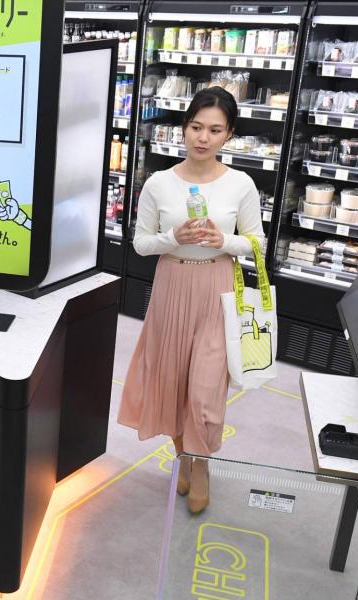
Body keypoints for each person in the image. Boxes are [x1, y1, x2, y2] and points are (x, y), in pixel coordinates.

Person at [118, 86, 264, 514]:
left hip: (218, 288)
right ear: (184, 128)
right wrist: (172, 237)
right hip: (172, 285)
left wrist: (225, 241)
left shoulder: (241, 184)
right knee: (173, 382)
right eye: (197, 127)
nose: (203, 137)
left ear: (229, 134)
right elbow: (141, 244)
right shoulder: (159, 183)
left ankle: (201, 467)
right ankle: (184, 455)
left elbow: (256, 243)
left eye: (215, 130)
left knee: (205, 391)